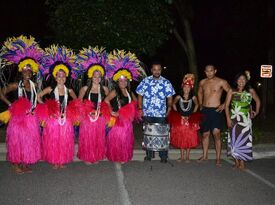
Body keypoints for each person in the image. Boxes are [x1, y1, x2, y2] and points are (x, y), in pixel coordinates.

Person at [0, 35, 43, 174]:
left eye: (29, 70)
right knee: (17, 141)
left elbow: (35, 100)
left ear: (32, 71)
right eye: (25, 69)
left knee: (28, 141)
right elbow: (1, 93)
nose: (27, 72)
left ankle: (24, 163)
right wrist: (10, 104)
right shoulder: (15, 85)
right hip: (18, 118)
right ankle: (16, 164)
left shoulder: (34, 85)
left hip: (31, 118)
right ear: (21, 71)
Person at [37, 45, 78, 169]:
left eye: (63, 76)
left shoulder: (69, 90)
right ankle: (55, 161)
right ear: (55, 77)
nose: (61, 78)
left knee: (64, 140)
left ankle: (62, 160)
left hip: (66, 119)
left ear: (66, 78)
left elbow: (77, 101)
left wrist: (71, 110)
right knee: (54, 141)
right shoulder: (50, 89)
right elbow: (38, 96)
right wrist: (46, 108)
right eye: (59, 76)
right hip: (53, 120)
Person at [104, 50, 141, 163]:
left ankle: (123, 156)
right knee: (117, 139)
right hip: (116, 119)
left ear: (127, 81)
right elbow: (105, 101)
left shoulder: (129, 92)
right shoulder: (115, 91)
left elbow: (136, 103)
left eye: (125, 80)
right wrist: (111, 111)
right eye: (121, 81)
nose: (123, 82)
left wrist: (135, 111)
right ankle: (116, 156)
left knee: (125, 139)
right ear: (117, 82)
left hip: (127, 121)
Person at [136, 61, 175, 163]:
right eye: (155, 69)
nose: (157, 71)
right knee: (148, 133)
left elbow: (170, 97)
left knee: (162, 134)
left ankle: (163, 156)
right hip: (147, 112)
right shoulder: (145, 81)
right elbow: (140, 94)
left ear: (161, 70)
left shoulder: (166, 82)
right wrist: (140, 108)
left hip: (161, 113)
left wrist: (169, 108)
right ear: (152, 70)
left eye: (159, 69)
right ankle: (149, 155)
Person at [77, 47, 109, 164]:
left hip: (99, 117)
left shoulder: (105, 89)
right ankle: (87, 157)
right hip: (87, 118)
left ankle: (96, 155)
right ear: (91, 77)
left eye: (99, 76)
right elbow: (79, 103)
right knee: (88, 138)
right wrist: (85, 112)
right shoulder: (85, 88)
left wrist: (105, 112)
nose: (97, 78)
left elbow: (108, 102)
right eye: (95, 76)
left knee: (98, 138)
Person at [225, 71, 260, 170]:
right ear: (236, 81)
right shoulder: (231, 91)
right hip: (234, 119)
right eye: (239, 79)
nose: (241, 81)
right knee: (234, 140)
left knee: (244, 140)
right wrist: (228, 118)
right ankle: (236, 162)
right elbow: (227, 106)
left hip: (245, 120)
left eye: (243, 80)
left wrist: (256, 112)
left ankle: (242, 162)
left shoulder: (250, 91)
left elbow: (257, 100)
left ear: (246, 81)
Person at [198, 64, 230, 166]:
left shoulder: (221, 81)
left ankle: (218, 158)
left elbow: (231, 92)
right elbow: (199, 93)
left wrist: (224, 104)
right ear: (205, 72)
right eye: (207, 71)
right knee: (205, 134)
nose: (209, 73)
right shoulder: (202, 82)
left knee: (216, 134)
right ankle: (205, 155)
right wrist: (200, 104)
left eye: (211, 71)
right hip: (205, 111)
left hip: (216, 110)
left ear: (215, 71)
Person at [169, 74, 201, 162]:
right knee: (182, 137)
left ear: (191, 88)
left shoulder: (193, 97)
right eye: (185, 87)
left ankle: (187, 157)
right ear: (182, 87)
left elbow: (197, 104)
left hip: (190, 119)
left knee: (190, 137)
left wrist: (193, 114)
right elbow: (173, 104)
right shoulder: (179, 96)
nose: (186, 89)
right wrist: (178, 114)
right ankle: (182, 156)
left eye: (188, 87)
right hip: (181, 119)